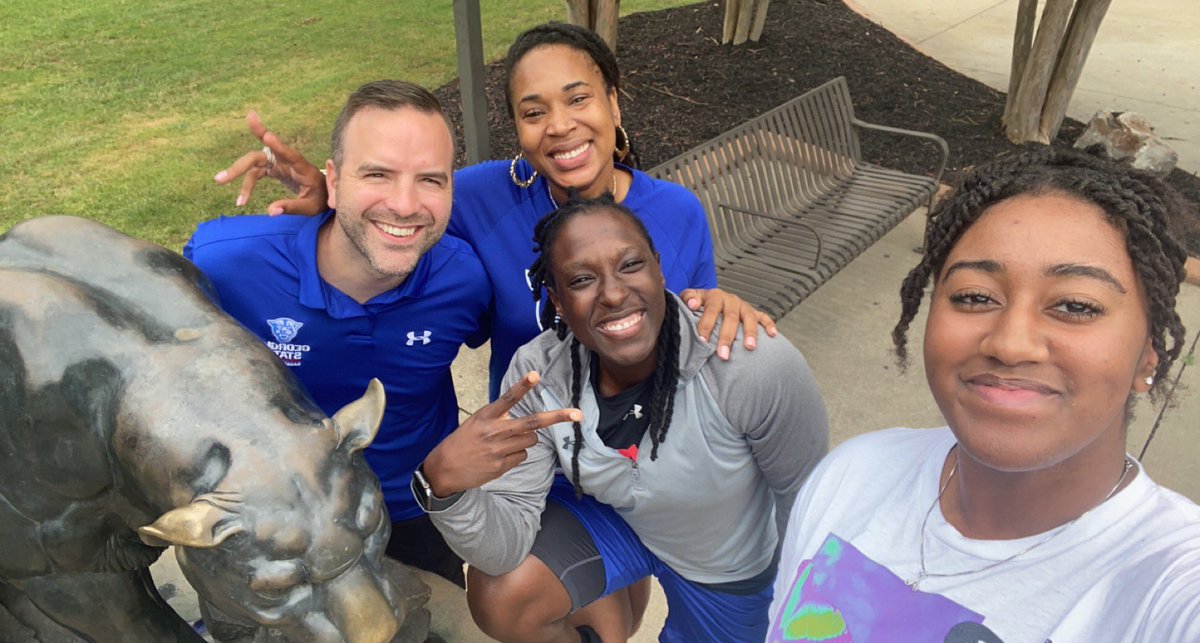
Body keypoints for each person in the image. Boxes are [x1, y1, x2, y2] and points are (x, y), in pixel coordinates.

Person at [769, 149, 1200, 643]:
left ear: (1149, 355)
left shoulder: (1169, 583)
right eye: (974, 296)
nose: (1010, 344)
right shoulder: (854, 474)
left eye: (1075, 306)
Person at [213, 21, 773, 401]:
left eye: (578, 98)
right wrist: (333, 195)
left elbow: (693, 322)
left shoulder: (677, 212)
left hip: (647, 438)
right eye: (534, 112)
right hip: (529, 449)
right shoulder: (480, 196)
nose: (560, 125)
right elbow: (400, 208)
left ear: (613, 101)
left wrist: (720, 304)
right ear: (518, 128)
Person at [414, 195, 830, 643]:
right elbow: (504, 549)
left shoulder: (749, 366)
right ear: (557, 300)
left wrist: (801, 612)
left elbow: (808, 506)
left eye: (630, 265)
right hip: (615, 522)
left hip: (725, 563)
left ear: (659, 270)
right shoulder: (539, 374)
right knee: (503, 594)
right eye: (582, 279)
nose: (613, 294)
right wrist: (444, 489)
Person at [186, 80, 490, 586]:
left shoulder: (465, 281)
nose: (405, 204)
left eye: (430, 180)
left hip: (411, 504)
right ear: (332, 182)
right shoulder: (224, 263)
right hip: (275, 514)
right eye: (377, 174)